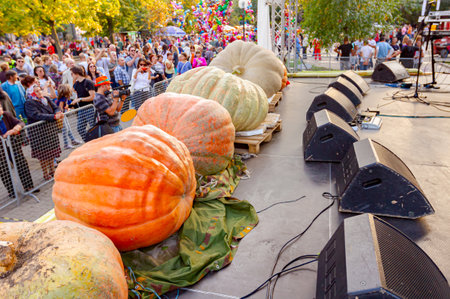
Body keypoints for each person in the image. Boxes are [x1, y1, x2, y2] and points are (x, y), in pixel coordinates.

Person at [24, 85, 63, 180]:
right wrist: (53, 117)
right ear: (31, 93)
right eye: (36, 91)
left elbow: (55, 107)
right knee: (43, 155)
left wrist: (58, 112)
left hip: (50, 130)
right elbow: (36, 115)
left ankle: (52, 170)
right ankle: (45, 173)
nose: (39, 92)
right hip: (39, 132)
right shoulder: (29, 103)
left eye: (40, 90)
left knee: (51, 152)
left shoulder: (45, 99)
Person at [0, 104, 34, 198]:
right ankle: (11, 191)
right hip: (1, 150)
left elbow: (20, 123)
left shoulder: (6, 115)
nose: (1, 109)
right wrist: (3, 137)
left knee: (21, 163)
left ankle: (29, 186)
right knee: (4, 170)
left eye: (1, 107)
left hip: (13, 146)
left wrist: (16, 128)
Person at [70, 66, 95, 140]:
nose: (71, 76)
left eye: (72, 74)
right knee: (80, 129)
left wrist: (80, 99)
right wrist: (72, 103)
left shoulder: (88, 82)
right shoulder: (76, 84)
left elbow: (92, 97)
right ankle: (89, 141)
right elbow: (77, 96)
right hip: (81, 109)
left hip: (90, 108)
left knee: (93, 127)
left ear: (76, 73)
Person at [56, 84, 80, 149]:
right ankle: (66, 144)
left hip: (63, 114)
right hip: (61, 115)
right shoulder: (62, 98)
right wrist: (62, 113)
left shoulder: (66, 98)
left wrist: (68, 108)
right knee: (65, 129)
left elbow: (66, 106)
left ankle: (73, 140)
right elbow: (60, 107)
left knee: (68, 128)